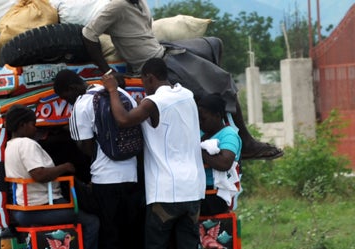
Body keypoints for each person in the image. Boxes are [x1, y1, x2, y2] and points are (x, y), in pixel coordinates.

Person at [81, 0, 283, 161]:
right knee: (224, 81)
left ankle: (211, 87)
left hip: (166, 50)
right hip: (158, 63)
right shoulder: (116, 7)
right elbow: (88, 34)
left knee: (214, 44)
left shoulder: (141, 3)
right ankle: (246, 142)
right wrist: (106, 70)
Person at [102, 58, 205, 249]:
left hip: (166, 192)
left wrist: (113, 90)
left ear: (149, 78)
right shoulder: (187, 96)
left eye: (144, 82)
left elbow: (124, 120)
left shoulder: (155, 102)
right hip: (193, 190)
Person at [53, 69, 145, 249]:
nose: (67, 101)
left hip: (106, 179)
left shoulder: (82, 105)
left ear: (72, 89)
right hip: (133, 177)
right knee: (132, 227)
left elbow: (83, 145)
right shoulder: (122, 93)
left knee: (109, 236)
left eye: (65, 97)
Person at [3, 104, 100, 249]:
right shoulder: (27, 144)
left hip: (23, 209)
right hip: (42, 207)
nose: (35, 129)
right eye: (33, 125)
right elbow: (39, 174)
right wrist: (65, 167)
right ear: (22, 125)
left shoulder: (10, 146)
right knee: (92, 222)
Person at [198, 93, 242, 215]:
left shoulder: (228, 135)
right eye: (198, 119)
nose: (200, 122)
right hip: (200, 191)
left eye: (204, 119)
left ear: (217, 116)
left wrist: (199, 151)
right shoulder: (201, 134)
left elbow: (224, 163)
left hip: (215, 195)